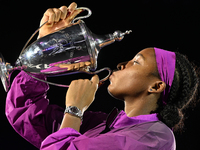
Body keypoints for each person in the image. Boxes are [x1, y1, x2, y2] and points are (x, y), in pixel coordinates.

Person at [5, 2, 199, 150]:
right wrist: (44, 48)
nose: (122, 64)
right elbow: (27, 114)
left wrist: (73, 111)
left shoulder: (155, 139)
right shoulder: (103, 125)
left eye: (136, 62)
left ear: (156, 87)